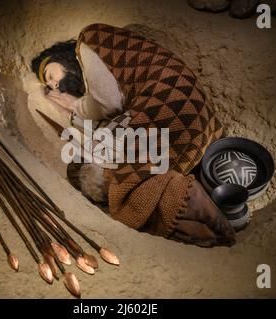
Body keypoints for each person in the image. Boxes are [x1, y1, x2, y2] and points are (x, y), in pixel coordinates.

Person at [32, 24, 236, 247]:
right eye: (49, 83)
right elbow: (112, 109)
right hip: (196, 122)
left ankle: (187, 203)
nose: (53, 84)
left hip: (169, 108)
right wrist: (76, 113)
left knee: (110, 175)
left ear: (64, 57)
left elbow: (109, 103)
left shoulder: (89, 41)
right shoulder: (113, 56)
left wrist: (76, 106)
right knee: (113, 150)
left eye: (50, 74)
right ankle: (197, 203)